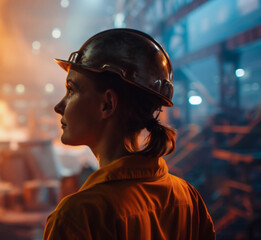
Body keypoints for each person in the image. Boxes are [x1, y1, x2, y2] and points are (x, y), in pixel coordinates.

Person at [43, 29, 215, 240]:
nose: (59, 106)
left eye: (71, 90)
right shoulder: (187, 198)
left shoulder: (79, 216)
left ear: (107, 104)